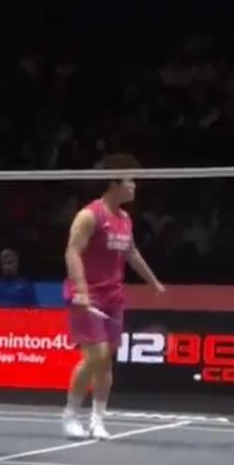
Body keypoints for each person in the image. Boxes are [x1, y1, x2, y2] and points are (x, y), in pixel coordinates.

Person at [61, 154, 165, 440]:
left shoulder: (125, 219)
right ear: (113, 183)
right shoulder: (90, 215)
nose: (134, 186)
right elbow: (72, 252)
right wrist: (81, 290)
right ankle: (70, 414)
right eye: (130, 180)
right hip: (87, 297)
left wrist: (153, 282)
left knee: (106, 361)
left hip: (113, 296)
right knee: (96, 355)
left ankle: (97, 419)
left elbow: (131, 253)